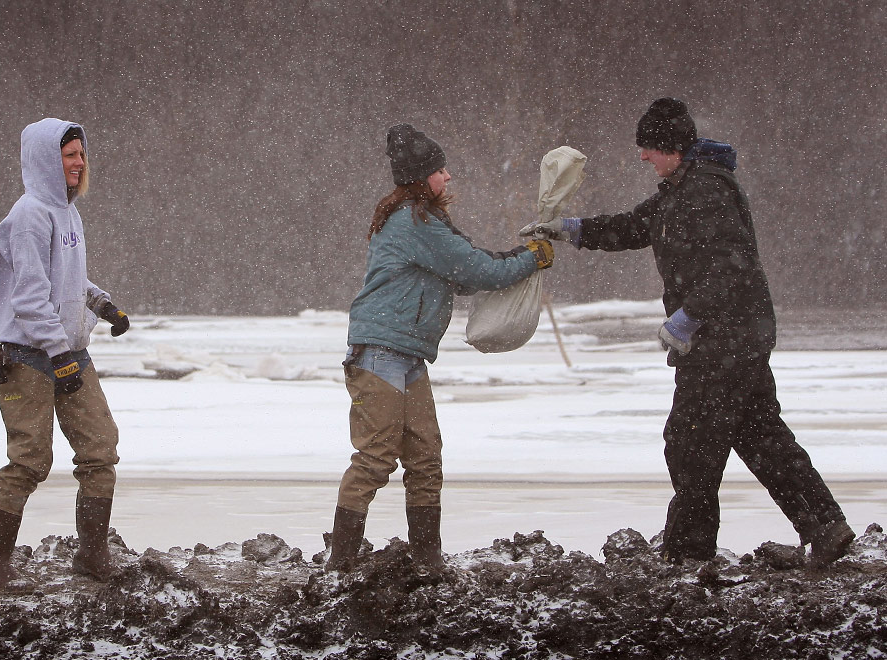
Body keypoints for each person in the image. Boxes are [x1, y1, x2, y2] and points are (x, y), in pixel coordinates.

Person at [523, 98, 854, 567]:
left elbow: (730, 267)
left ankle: (687, 552)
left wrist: (687, 318)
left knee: (690, 439)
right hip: (739, 337)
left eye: (649, 148)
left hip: (724, 341)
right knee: (760, 433)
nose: (642, 157)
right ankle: (824, 525)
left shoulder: (707, 191)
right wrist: (571, 229)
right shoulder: (678, 189)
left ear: (673, 148)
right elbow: (635, 226)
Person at [325, 124, 554, 574]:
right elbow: (478, 270)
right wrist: (531, 259)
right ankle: (340, 566)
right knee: (375, 458)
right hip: (379, 353)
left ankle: (428, 562)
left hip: (407, 354)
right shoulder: (415, 220)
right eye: (440, 169)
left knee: (426, 459)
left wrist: (517, 260)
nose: (448, 176)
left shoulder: (423, 221)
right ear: (421, 176)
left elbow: (467, 274)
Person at [0, 118, 131, 593]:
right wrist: (59, 353)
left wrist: (102, 304)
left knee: (100, 448)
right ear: (47, 159)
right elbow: (29, 296)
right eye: (69, 155)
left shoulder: (68, 212)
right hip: (27, 358)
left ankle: (91, 554)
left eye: (81, 154)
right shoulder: (28, 216)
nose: (78, 162)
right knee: (28, 460)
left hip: (70, 354)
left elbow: (68, 279)